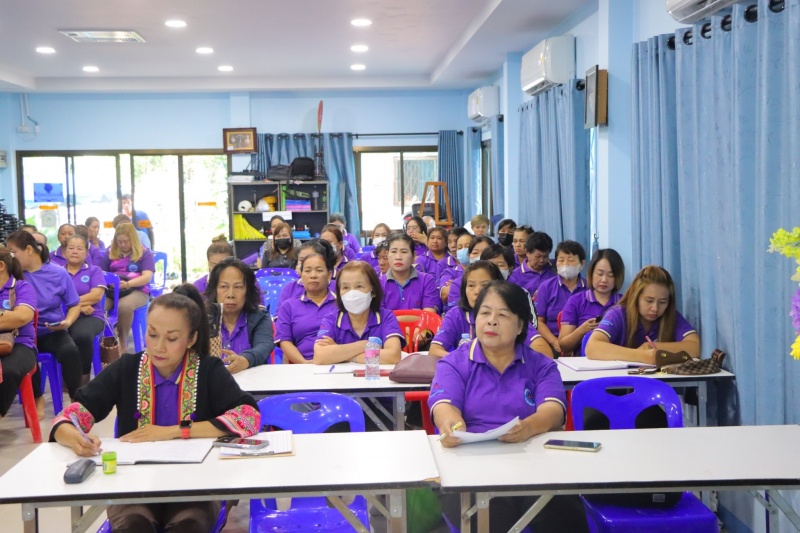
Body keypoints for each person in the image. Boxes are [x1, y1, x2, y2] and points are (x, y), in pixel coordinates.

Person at [49, 284, 260, 533]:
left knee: (188, 525)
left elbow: (249, 416)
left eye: (172, 338)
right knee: (133, 524)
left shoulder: (208, 369)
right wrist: (74, 437)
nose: (159, 346)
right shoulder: (127, 368)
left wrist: (175, 431)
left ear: (191, 339)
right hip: (134, 485)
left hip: (196, 484)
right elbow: (69, 416)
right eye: (152, 334)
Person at [429, 281, 588, 533]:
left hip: (533, 463)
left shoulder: (541, 365)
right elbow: (444, 406)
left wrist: (528, 427)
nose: (491, 321)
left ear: (520, 326)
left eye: (502, 315)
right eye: (485, 313)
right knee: (489, 517)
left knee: (562, 513)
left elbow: (553, 411)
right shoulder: (453, 363)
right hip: (471, 466)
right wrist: (451, 426)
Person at [6, 231, 83, 408]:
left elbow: (74, 304)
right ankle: (37, 398)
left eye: (13, 252)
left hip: (50, 330)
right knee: (25, 356)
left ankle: (77, 401)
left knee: (70, 351)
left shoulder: (58, 273)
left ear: (29, 250)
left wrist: (67, 322)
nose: (11, 258)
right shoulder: (12, 275)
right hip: (22, 332)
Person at [586, 265, 700, 364]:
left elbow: (694, 347)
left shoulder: (670, 316)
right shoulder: (618, 314)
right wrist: (641, 355)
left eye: (662, 302)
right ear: (635, 297)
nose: (655, 308)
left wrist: (652, 347)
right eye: (649, 301)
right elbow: (592, 347)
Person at [430, 262, 549, 357]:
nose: (477, 291)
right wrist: (464, 362)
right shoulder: (456, 315)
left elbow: (543, 350)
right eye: (471, 285)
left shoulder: (511, 314)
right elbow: (435, 350)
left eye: (485, 285)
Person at [313, 261, 404, 364]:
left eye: (359, 286)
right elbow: (320, 356)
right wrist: (365, 345)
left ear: (373, 291)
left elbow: (393, 356)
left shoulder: (386, 317)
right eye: (345, 287)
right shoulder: (331, 319)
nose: (352, 293)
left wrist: (343, 355)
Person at [204, 257, 274, 373]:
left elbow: (264, 346)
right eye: (224, 286)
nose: (230, 294)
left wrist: (245, 360)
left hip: (252, 381)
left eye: (238, 287)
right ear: (214, 290)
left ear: (248, 291)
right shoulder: (203, 319)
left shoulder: (260, 317)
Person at [275, 247, 338, 363]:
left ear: (329, 275)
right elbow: (285, 341)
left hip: (336, 362)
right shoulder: (288, 306)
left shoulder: (341, 304)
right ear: (301, 274)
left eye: (319, 270)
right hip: (300, 365)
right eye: (308, 271)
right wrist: (304, 363)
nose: (313, 275)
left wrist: (336, 352)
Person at [558, 249, 625, 355]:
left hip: (618, 359)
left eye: (610, 275)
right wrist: (581, 330)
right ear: (591, 273)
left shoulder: (624, 303)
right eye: (600, 273)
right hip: (583, 361)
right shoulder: (576, 301)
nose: (604, 280)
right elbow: (563, 346)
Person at [100, 223, 155, 351]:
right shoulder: (110, 252)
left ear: (133, 239)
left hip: (137, 290)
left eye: (126, 241)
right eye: (119, 242)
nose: (123, 245)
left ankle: (122, 342)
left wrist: (128, 284)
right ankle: (103, 341)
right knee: (98, 306)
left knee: (124, 306)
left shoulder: (144, 253)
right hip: (112, 290)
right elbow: (100, 272)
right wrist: (109, 282)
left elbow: (147, 277)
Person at [64, 235, 107, 387]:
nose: (75, 251)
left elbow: (96, 296)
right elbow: (53, 298)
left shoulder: (94, 271)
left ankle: (83, 378)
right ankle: (68, 377)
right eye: (71, 248)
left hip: (91, 316)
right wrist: (80, 306)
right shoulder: (58, 272)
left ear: (86, 252)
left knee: (82, 335)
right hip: (64, 315)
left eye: (79, 248)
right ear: (65, 251)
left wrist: (71, 303)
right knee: (58, 336)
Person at [535, 240, 589, 356]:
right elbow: (539, 321)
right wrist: (555, 342)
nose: (565, 264)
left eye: (570, 260)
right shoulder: (546, 287)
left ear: (582, 264)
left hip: (583, 344)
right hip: (553, 343)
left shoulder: (589, 288)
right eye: (561, 260)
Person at [0, 249, 37, 419]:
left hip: (21, 344)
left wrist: (10, 318)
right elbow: (11, 317)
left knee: (10, 371)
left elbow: (21, 317)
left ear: (1, 266)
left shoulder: (22, 287)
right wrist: (6, 315)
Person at [379, 233, 440, 313]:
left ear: (413, 256)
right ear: (387, 255)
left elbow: (428, 315)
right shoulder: (379, 283)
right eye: (393, 251)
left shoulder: (426, 280)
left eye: (404, 252)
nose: (398, 257)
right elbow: (380, 317)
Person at [276, 239, 337, 310]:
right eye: (301, 260)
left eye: (310, 258)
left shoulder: (337, 287)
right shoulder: (289, 288)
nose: (305, 263)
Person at [442, 236, 493, 313]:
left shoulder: (502, 280)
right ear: (469, 255)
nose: (480, 256)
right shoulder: (458, 283)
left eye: (485, 252)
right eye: (475, 253)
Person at [508, 231, 556, 296]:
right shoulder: (515, 277)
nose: (541, 260)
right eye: (538, 257)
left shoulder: (555, 268)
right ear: (527, 252)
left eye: (545, 256)